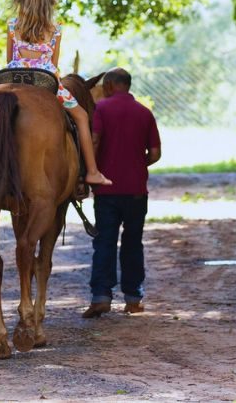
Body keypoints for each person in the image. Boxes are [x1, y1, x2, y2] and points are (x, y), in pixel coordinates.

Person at [5, 0, 111, 186]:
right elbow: (53, 64)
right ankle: (92, 172)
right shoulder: (55, 29)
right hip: (45, 80)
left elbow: (9, 60)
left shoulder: (12, 25)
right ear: (49, 2)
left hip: (14, 78)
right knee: (81, 116)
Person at [82, 67, 160, 317]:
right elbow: (155, 153)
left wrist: (92, 169)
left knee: (104, 241)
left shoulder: (101, 109)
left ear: (108, 86)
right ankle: (133, 298)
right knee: (133, 242)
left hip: (106, 189)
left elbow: (95, 140)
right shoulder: (145, 113)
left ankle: (101, 297)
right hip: (136, 190)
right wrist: (136, 164)